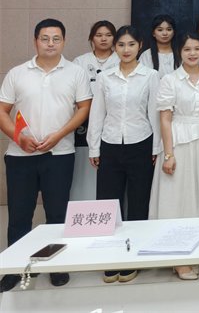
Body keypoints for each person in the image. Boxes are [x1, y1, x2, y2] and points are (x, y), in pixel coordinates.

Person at [0, 19, 92, 292]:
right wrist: (19, 138)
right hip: (20, 156)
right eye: (44, 38)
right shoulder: (17, 73)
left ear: (63, 41)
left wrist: (60, 134)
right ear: (35, 41)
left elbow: (84, 107)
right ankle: (15, 267)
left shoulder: (75, 72)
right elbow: (2, 111)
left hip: (60, 154)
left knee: (57, 214)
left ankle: (55, 265)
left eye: (56, 38)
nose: (50, 43)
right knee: (19, 215)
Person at [87, 25, 160, 284]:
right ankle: (110, 257)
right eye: (120, 45)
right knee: (108, 204)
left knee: (139, 203)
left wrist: (156, 148)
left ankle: (133, 257)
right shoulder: (105, 77)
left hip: (141, 144)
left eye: (131, 44)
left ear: (140, 45)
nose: (126, 49)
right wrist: (94, 146)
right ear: (114, 47)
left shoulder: (150, 75)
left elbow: (155, 114)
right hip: (110, 144)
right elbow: (97, 112)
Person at [148, 32, 199, 280]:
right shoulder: (170, 80)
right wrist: (168, 154)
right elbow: (165, 120)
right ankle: (177, 256)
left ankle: (196, 252)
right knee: (176, 197)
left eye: (197, 49)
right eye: (187, 49)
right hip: (177, 141)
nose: (192, 53)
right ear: (179, 52)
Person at [71, 20, 120, 201]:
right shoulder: (80, 61)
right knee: (85, 164)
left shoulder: (121, 59)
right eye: (99, 35)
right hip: (84, 119)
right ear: (92, 38)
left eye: (108, 35)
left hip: (114, 119)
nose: (103, 39)